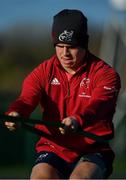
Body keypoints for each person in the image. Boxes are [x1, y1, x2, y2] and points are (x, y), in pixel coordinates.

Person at [4, 9, 121, 179]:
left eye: (71, 47)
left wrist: (77, 120)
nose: (64, 53)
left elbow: (99, 105)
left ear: (84, 45)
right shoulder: (42, 72)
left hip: (93, 149)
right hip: (53, 147)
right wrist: (15, 114)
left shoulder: (106, 74)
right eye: (60, 46)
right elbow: (26, 99)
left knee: (80, 178)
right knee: (40, 177)